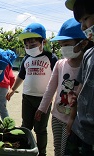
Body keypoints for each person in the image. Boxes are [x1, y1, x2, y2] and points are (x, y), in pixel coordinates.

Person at [34, 18, 93, 156]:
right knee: (56, 148)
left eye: (66, 44)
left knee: (65, 151)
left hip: (74, 120)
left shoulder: (88, 65)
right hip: (57, 116)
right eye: (61, 45)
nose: (63, 48)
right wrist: (42, 108)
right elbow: (51, 88)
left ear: (83, 43)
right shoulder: (60, 64)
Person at [6, 23, 58, 156]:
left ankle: (42, 153)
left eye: (33, 44)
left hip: (44, 100)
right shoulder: (26, 59)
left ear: (43, 42)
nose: (29, 48)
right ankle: (25, 149)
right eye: (26, 45)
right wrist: (12, 89)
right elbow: (21, 76)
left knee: (40, 129)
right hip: (27, 97)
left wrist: (53, 96)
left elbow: (56, 79)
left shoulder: (51, 58)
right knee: (26, 126)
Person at [63, 0, 94, 155]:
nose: (83, 27)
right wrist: (72, 115)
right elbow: (80, 84)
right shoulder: (89, 54)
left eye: (86, 18)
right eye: (80, 21)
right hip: (78, 128)